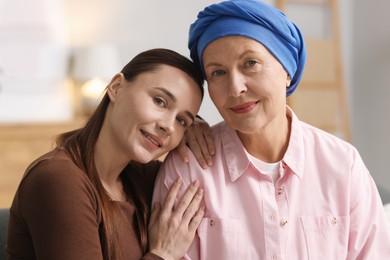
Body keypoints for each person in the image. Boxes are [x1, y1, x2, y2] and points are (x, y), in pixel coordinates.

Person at [152, 1, 390, 259]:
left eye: (250, 63)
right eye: (218, 72)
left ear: (287, 71)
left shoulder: (343, 165)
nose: (235, 88)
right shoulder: (187, 171)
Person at [6, 48, 216, 260]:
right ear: (116, 87)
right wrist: (163, 254)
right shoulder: (58, 179)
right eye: (160, 101)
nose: (168, 127)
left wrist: (198, 127)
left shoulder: (147, 179)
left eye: (181, 120)